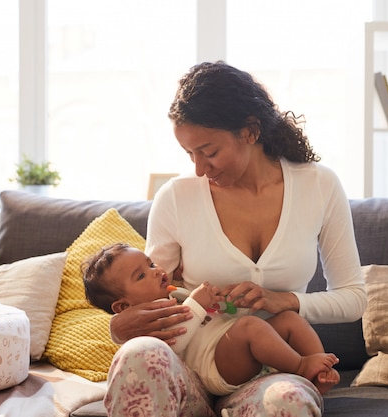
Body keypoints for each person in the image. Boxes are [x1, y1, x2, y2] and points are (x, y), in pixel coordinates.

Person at [106, 61, 367, 417]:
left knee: (287, 402)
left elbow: (353, 298)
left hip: (271, 376)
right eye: (190, 154)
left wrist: (285, 301)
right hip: (192, 373)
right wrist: (118, 329)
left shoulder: (319, 186)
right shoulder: (176, 198)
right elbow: (149, 299)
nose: (199, 168)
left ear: (250, 131)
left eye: (209, 151)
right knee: (137, 354)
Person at [83, 243, 340, 397]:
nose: (156, 272)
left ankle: (320, 373)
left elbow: (213, 316)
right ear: (123, 306)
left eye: (150, 264)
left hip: (231, 347)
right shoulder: (149, 319)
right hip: (216, 368)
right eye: (141, 276)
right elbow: (174, 344)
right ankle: (301, 366)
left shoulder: (175, 293)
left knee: (288, 320)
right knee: (250, 327)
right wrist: (197, 303)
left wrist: (222, 303)